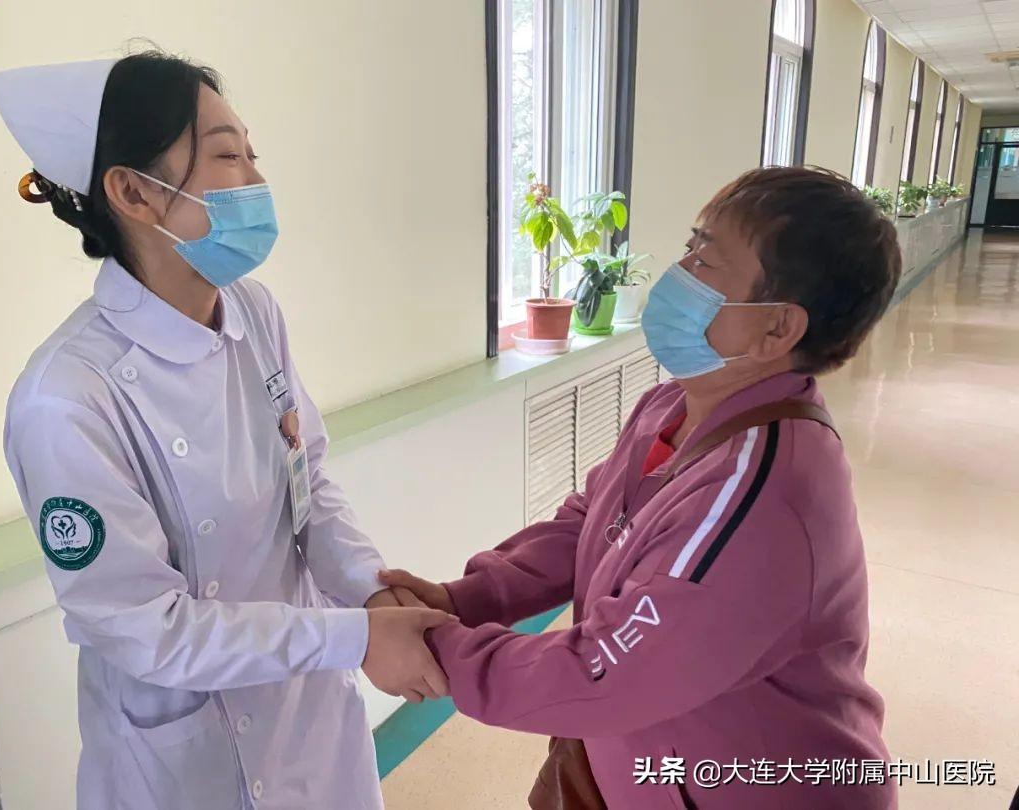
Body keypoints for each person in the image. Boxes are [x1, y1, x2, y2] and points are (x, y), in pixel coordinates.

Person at [0, 51, 453, 810]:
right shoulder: (66, 399)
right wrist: (355, 637)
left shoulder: (253, 310)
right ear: (133, 192)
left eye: (252, 154)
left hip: (308, 707)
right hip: (186, 756)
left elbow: (308, 485)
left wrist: (370, 595)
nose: (255, 181)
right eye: (225, 156)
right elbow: (150, 630)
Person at [382, 167, 900, 808]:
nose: (677, 274)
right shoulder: (673, 406)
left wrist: (431, 649)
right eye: (690, 246)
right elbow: (591, 522)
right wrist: (465, 598)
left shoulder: (762, 496)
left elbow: (601, 673)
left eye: (704, 262)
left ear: (776, 330)